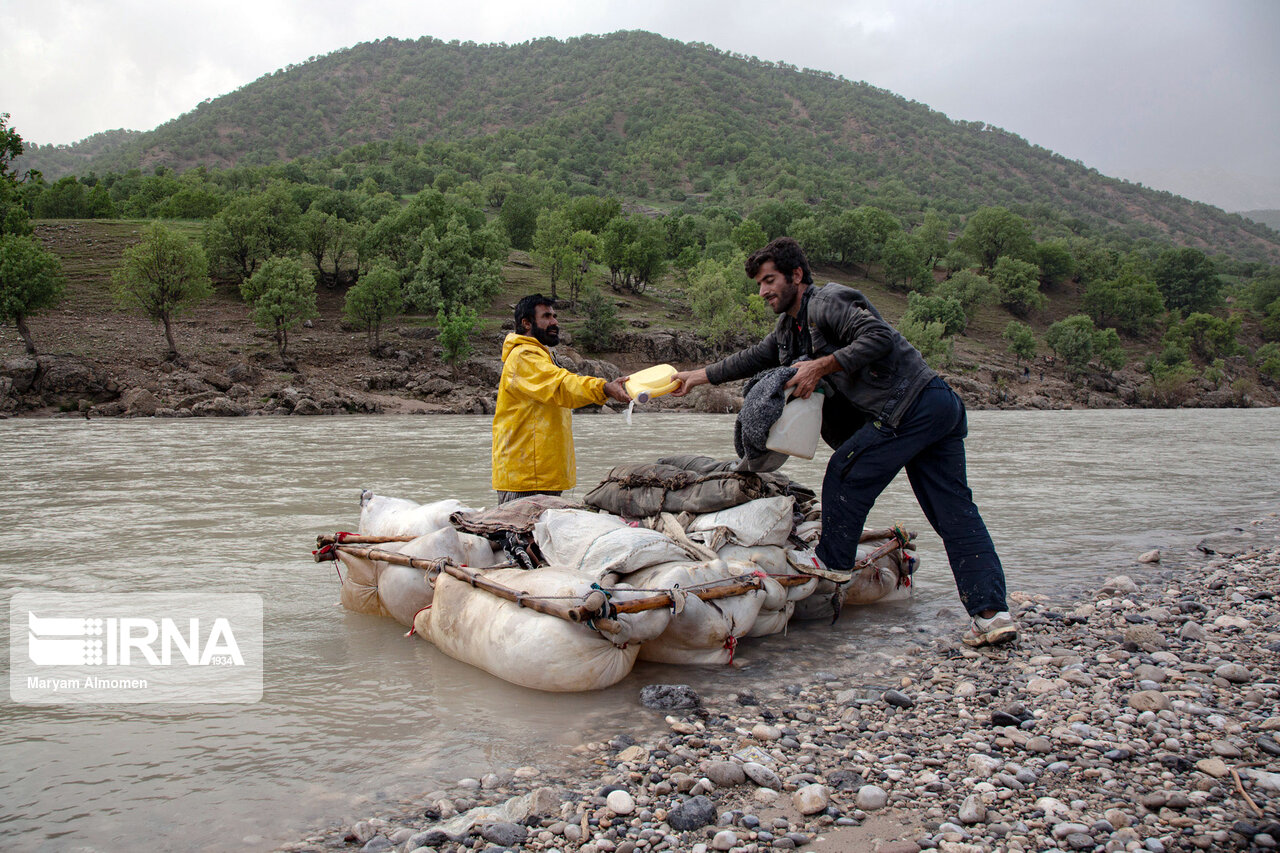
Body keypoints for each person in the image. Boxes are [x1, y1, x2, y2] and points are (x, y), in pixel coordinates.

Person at [673, 237, 1016, 647]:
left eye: (769, 281)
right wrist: (696, 377)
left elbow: (878, 338)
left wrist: (822, 365)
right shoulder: (789, 330)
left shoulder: (827, 301)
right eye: (760, 284)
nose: (763, 291)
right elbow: (750, 358)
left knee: (846, 471)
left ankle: (832, 562)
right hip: (934, 407)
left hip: (911, 406)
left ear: (796, 275)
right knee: (954, 514)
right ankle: (991, 617)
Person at [491, 294, 630, 504]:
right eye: (546, 316)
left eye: (555, 316)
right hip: (527, 479)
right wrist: (604, 388)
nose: (555, 322)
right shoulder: (523, 357)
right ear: (526, 323)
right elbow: (562, 386)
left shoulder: (539, 355)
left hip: (541, 475)